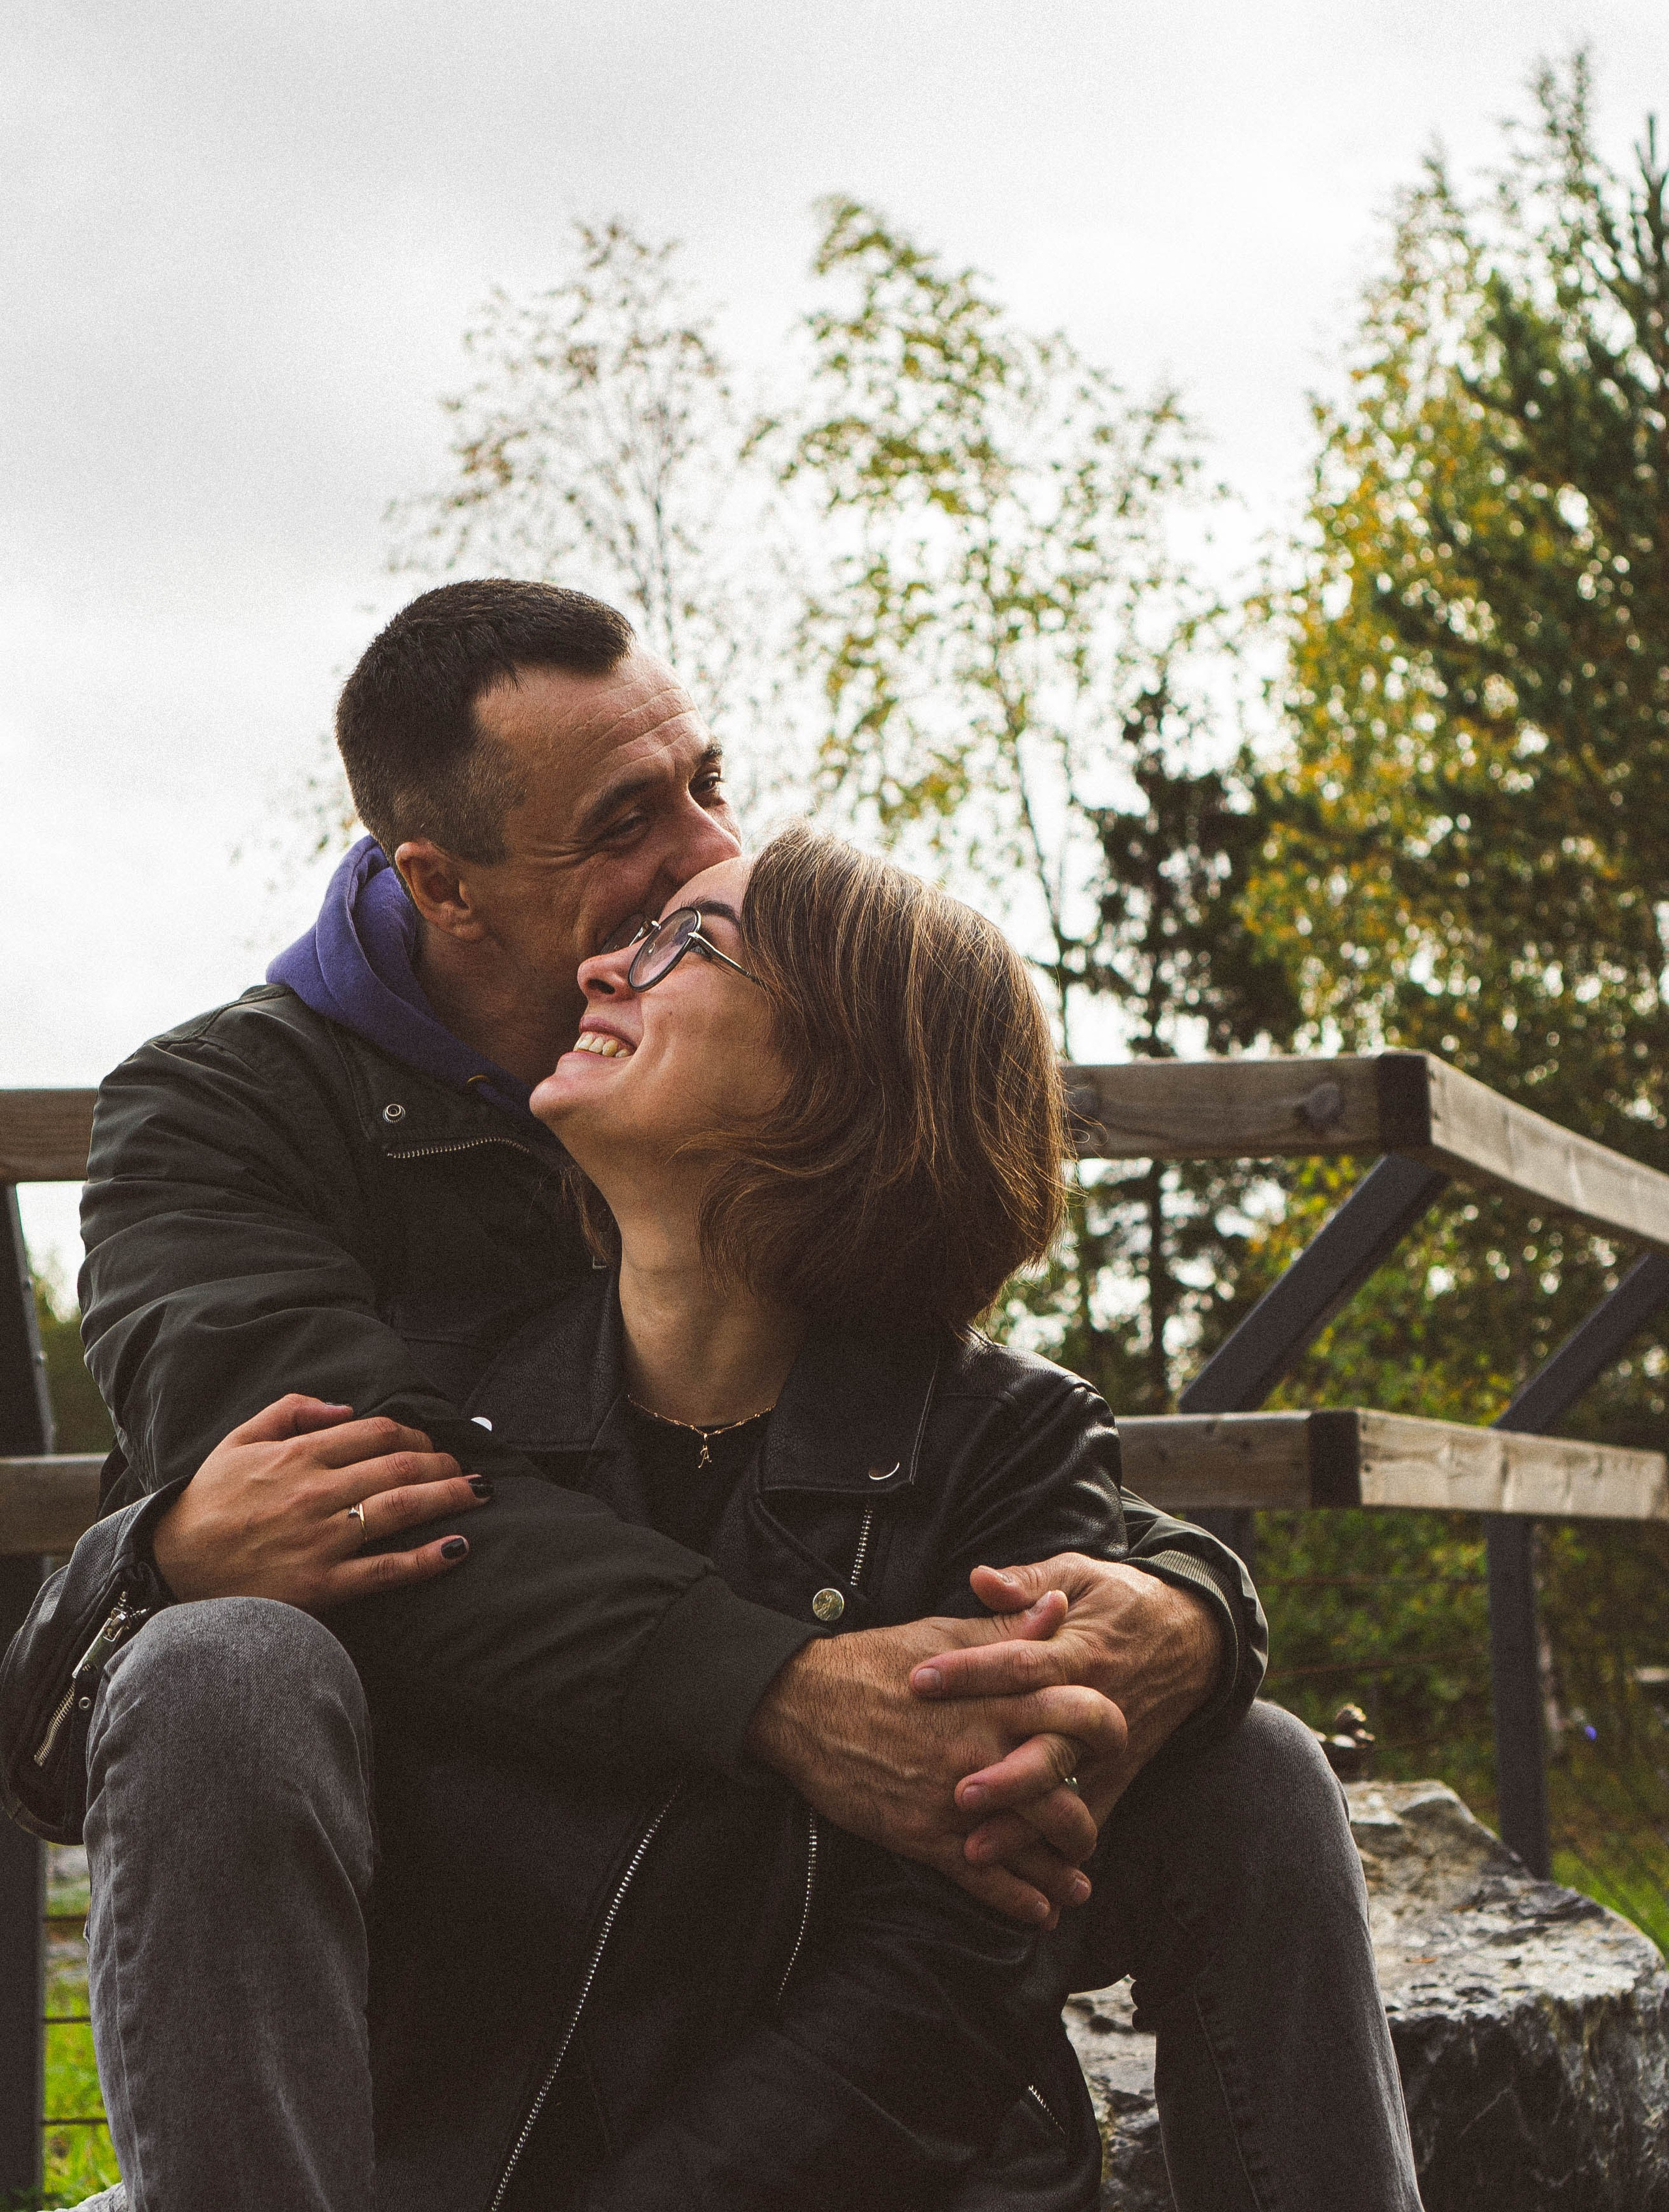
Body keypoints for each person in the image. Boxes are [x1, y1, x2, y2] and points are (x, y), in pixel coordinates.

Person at [6, 831, 1421, 2211]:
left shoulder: (1005, 1438)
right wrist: (167, 1556)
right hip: (447, 2166)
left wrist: (1194, 1605)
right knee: (222, 1658)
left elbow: (948, 1966)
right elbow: (82, 1736)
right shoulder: (432, 1402)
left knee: (1255, 1766)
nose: (605, 971)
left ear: (842, 1071)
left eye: (685, 942)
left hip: (822, 2180)